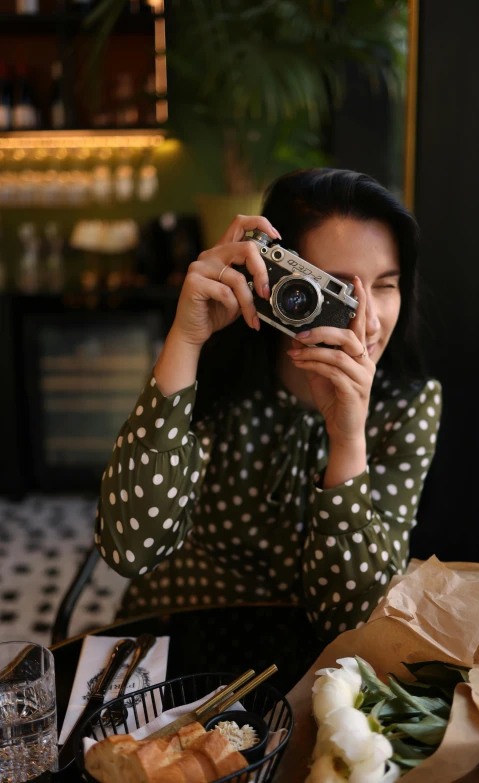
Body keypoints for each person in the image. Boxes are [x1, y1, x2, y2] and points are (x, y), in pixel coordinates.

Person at [95, 168, 441, 641]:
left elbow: (354, 619)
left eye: (386, 286)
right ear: (281, 283)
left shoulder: (408, 402)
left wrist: (347, 440)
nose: (369, 321)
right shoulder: (217, 370)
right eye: (337, 290)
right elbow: (130, 549)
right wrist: (186, 337)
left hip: (311, 661)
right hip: (180, 630)